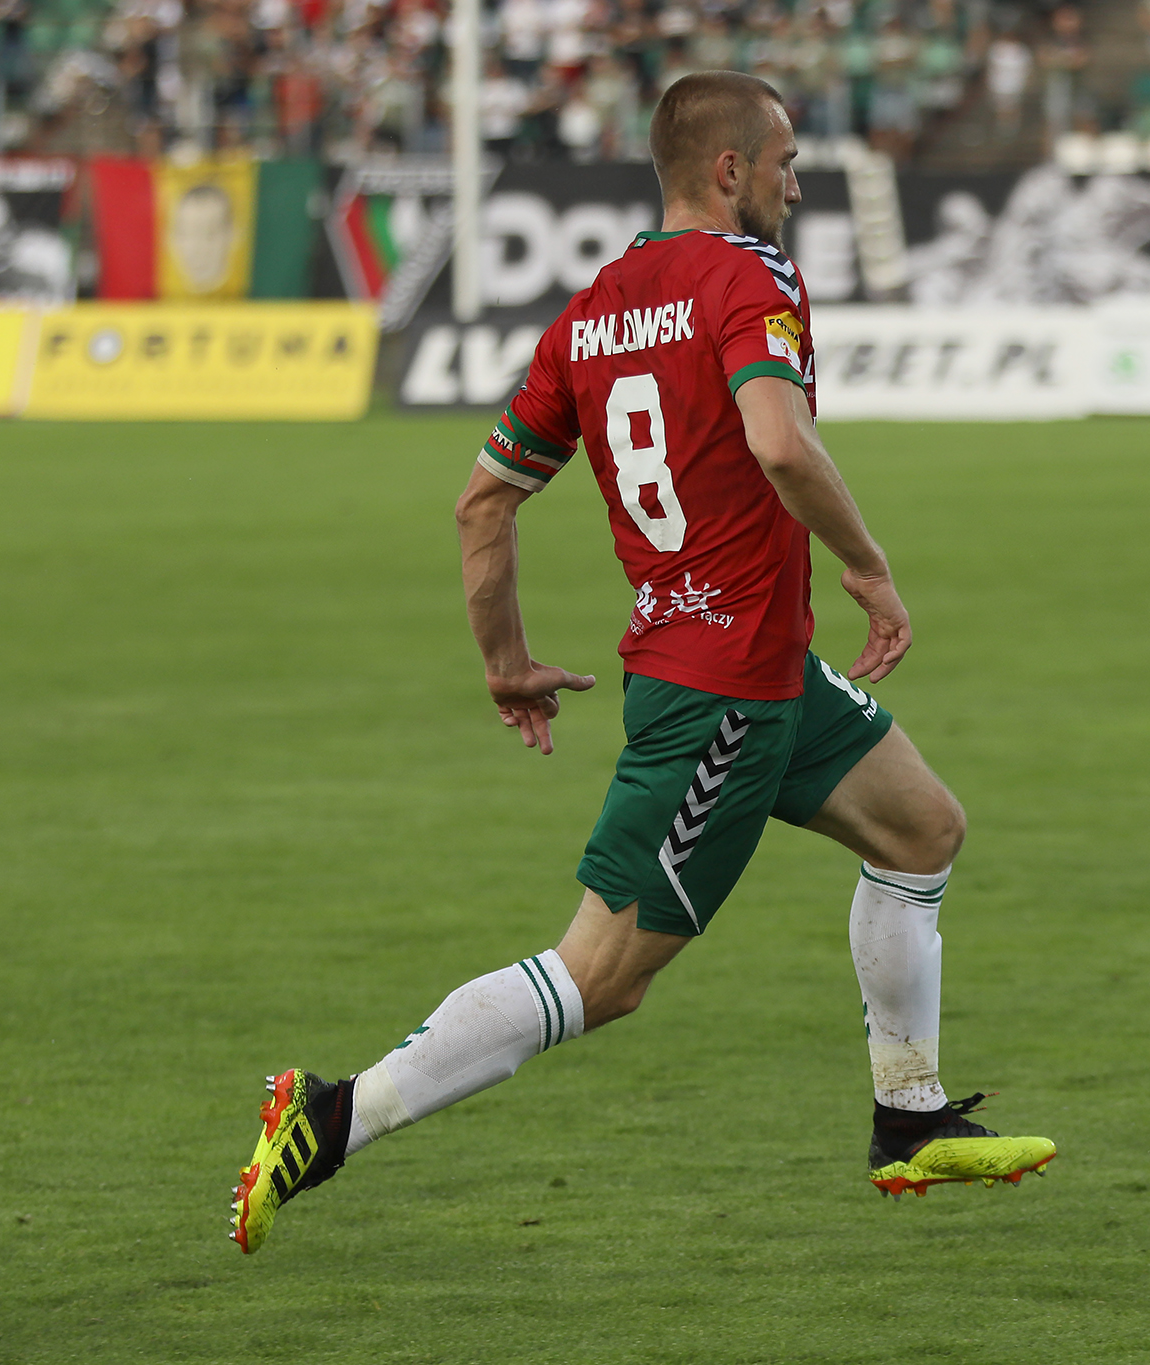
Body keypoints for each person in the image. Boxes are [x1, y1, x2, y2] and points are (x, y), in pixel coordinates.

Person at [227, 69, 1056, 1254]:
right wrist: (867, 567)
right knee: (600, 976)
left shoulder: (591, 313)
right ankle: (329, 1118)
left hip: (759, 669)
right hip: (719, 694)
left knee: (921, 828)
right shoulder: (750, 276)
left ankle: (909, 1120)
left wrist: (504, 661)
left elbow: (481, 503)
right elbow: (780, 442)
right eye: (782, 162)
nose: (794, 184)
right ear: (728, 170)